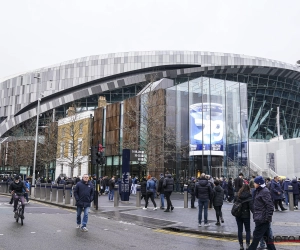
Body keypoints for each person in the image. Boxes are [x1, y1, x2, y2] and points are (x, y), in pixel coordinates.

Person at [248, 176, 276, 250]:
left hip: (262, 219)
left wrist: (267, 218)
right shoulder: (258, 191)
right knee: (267, 239)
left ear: (259, 184)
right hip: (259, 218)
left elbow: (270, 206)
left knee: (256, 238)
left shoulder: (264, 191)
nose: (254, 184)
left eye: (255, 183)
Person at [234, 184, 253, 250]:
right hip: (246, 215)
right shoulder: (249, 196)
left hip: (238, 215)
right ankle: (248, 244)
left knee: (240, 230)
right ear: (248, 189)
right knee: (248, 230)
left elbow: (235, 204)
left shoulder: (237, 195)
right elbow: (251, 207)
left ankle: (241, 245)